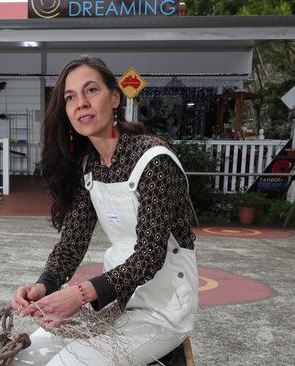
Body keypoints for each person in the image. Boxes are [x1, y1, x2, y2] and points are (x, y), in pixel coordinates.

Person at [10, 57, 198, 365]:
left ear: (114, 98)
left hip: (165, 309)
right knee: (23, 355)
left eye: (91, 91)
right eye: (70, 97)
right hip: (120, 302)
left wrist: (80, 294)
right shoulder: (91, 166)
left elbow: (150, 255)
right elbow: (72, 244)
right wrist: (45, 284)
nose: (81, 104)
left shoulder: (153, 160)